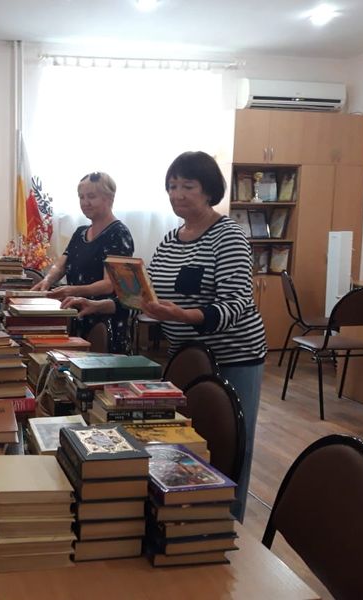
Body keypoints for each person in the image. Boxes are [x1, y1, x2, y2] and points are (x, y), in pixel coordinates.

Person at [63, 152, 266, 521]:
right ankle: (186, 513)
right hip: (186, 353)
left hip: (234, 355)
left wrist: (185, 315)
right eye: (172, 186)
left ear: (209, 191)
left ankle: (227, 520)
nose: (177, 194)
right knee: (187, 437)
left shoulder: (229, 235)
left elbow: (238, 302)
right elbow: (141, 297)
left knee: (232, 442)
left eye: (188, 186)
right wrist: (99, 305)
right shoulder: (171, 239)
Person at [31, 171, 134, 352]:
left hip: (105, 321)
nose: (85, 202)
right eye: (81, 197)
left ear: (109, 198)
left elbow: (110, 285)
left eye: (91, 196)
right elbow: (62, 264)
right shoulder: (80, 232)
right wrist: (47, 280)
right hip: (79, 316)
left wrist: (73, 290)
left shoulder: (119, 234)